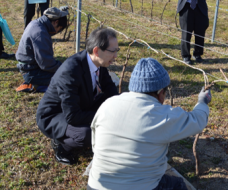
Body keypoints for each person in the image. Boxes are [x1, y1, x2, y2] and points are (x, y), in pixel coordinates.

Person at [87, 57, 212, 190]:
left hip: (96, 185)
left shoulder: (108, 104)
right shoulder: (162, 115)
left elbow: (95, 144)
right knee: (178, 185)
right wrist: (202, 102)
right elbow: (197, 121)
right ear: (160, 93)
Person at [36, 27, 119, 165]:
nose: (115, 56)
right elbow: (72, 116)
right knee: (87, 135)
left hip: (81, 104)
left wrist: (119, 109)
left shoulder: (99, 62)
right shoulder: (71, 70)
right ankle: (61, 145)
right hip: (56, 115)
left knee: (112, 103)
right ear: (96, 51)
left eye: (117, 50)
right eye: (112, 51)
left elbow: (110, 89)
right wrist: (104, 117)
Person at [15, 7, 68, 92]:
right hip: (31, 71)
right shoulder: (40, 33)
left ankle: (33, 83)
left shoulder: (36, 23)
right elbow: (46, 64)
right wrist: (64, 67)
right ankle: (34, 85)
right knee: (66, 78)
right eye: (60, 28)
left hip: (28, 66)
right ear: (56, 22)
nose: (58, 31)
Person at [177, 0, 209, 64]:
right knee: (186, 32)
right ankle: (186, 55)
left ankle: (197, 54)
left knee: (200, 31)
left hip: (200, 6)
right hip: (186, 6)